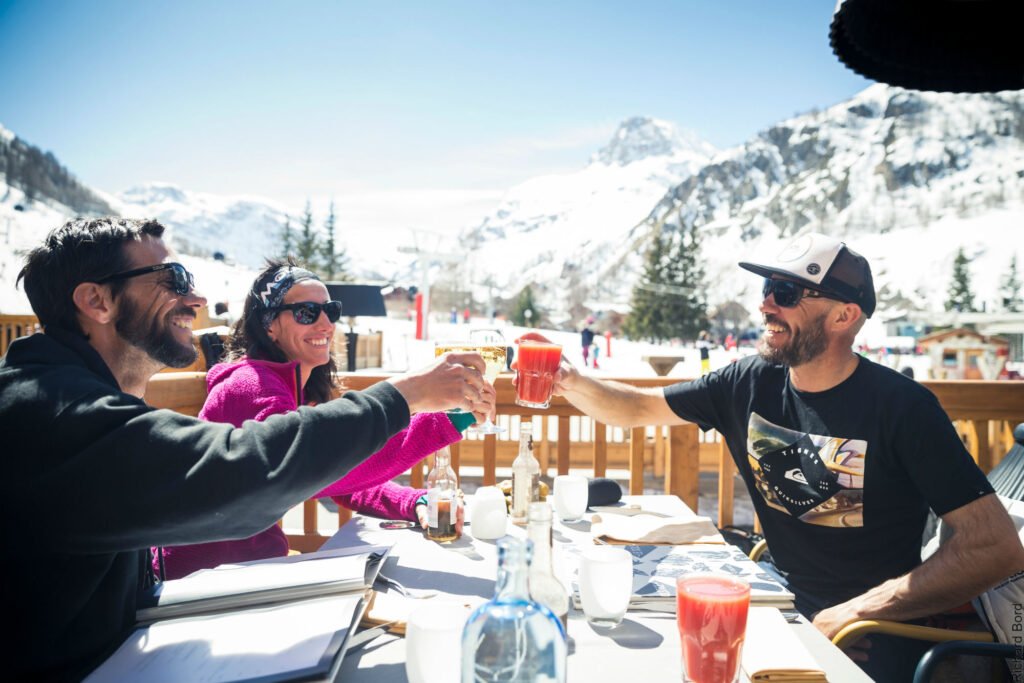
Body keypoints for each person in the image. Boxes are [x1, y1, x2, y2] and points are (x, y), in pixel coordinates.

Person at [516, 232, 1024, 682]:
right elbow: (637, 409)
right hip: (772, 603)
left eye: (786, 294)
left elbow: (995, 547)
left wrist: (852, 612)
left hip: (868, 634)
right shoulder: (748, 381)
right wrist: (571, 378)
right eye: (766, 291)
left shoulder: (904, 409)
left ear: (845, 316)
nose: (766, 307)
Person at [0, 217, 492, 681]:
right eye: (172, 280)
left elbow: (315, 467)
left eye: (330, 311)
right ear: (97, 301)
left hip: (154, 629)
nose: (196, 297)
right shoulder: (51, 411)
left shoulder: (77, 399)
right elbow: (253, 467)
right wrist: (406, 397)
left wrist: (413, 491)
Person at [158, 260, 491, 579]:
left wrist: (411, 500)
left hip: (250, 571)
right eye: (307, 313)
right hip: (206, 583)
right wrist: (444, 419)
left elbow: (338, 476)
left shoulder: (294, 389)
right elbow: (318, 468)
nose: (326, 324)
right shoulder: (250, 386)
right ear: (269, 325)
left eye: (330, 311)